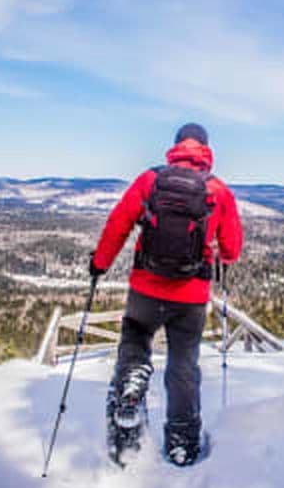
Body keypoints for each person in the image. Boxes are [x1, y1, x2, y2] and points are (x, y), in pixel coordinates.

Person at [90, 123, 242, 466]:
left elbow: (118, 224)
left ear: (175, 147)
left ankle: (128, 408)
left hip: (145, 287)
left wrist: (99, 265)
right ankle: (181, 444)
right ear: (205, 149)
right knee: (182, 367)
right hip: (190, 298)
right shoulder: (218, 191)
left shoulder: (149, 181)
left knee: (135, 340)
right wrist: (219, 252)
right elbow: (232, 249)